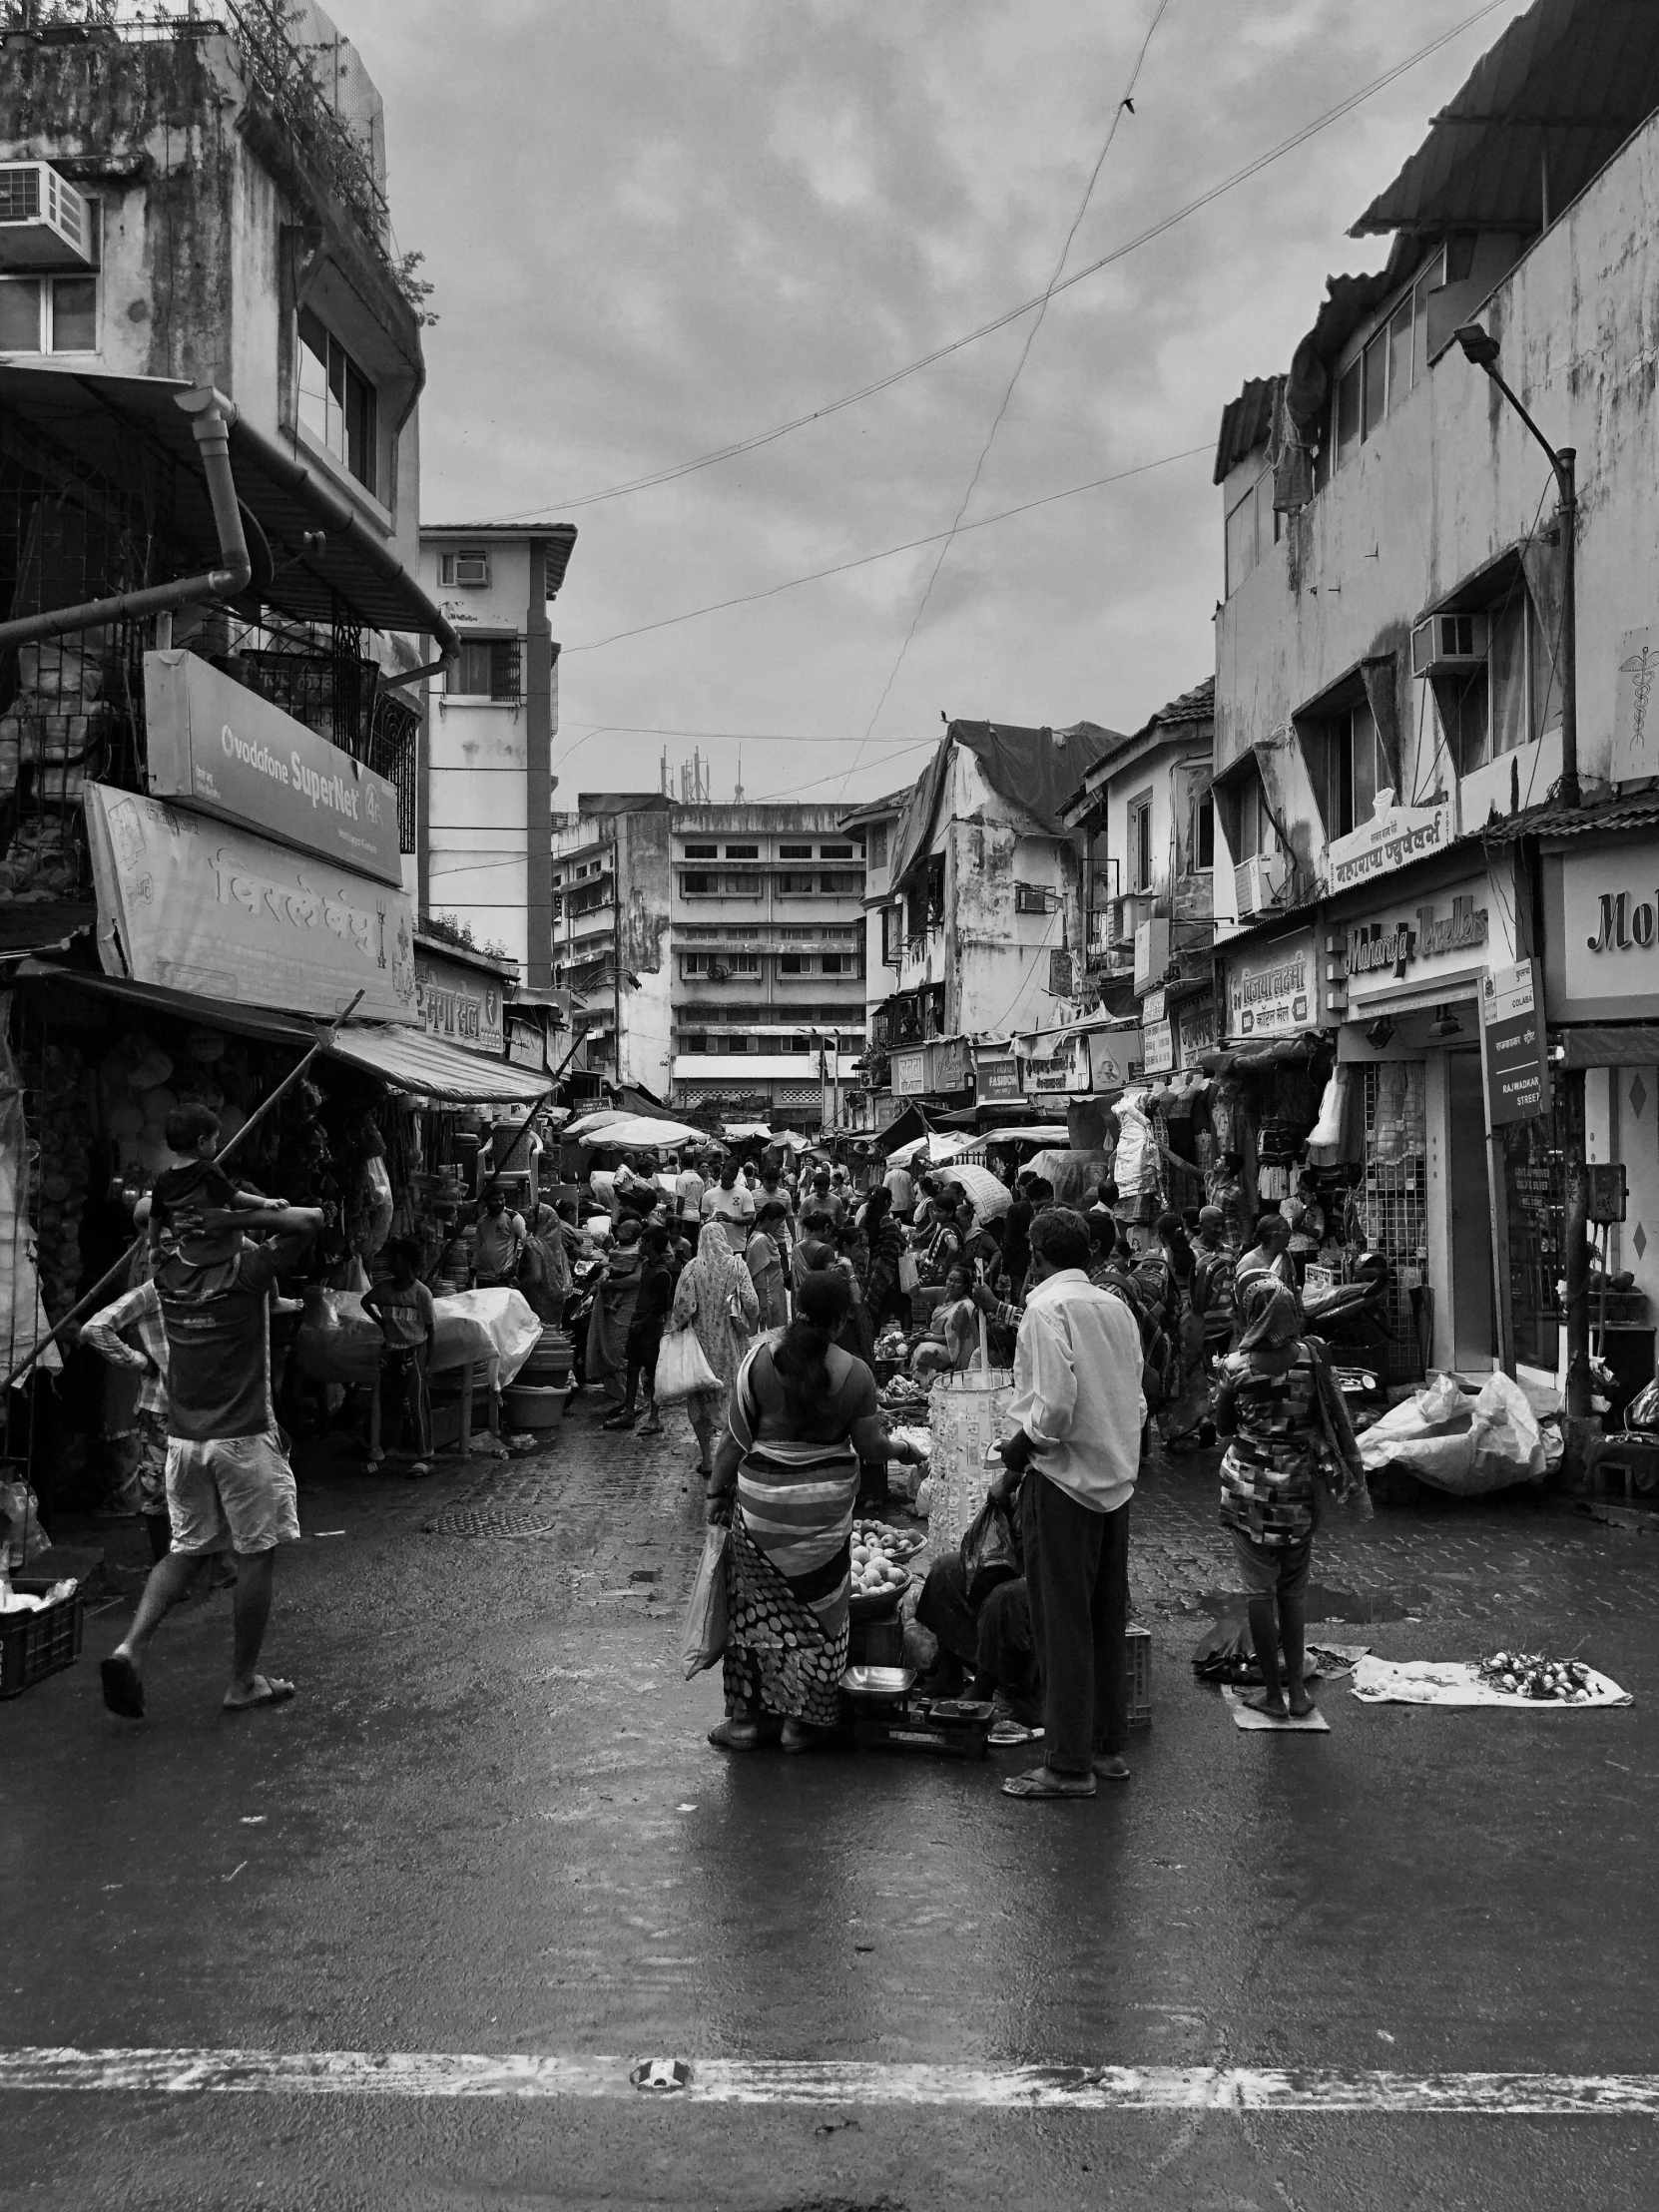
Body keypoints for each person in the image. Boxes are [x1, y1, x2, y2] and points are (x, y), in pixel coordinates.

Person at [98, 1206, 325, 1719]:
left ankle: (130, 1646)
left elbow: (147, 1218)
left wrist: (201, 1216)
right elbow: (309, 1221)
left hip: (185, 1439)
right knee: (256, 1554)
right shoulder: (246, 1274)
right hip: (241, 1437)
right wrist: (242, 1205)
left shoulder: (167, 1275)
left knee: (187, 1549)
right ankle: (243, 1681)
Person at [705, 1270, 926, 1752]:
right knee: (819, 1619)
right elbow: (871, 1448)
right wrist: (905, 1450)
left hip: (760, 1512)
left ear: (795, 1306)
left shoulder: (757, 1361)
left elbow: (732, 1443)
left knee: (754, 1616)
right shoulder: (857, 1374)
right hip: (823, 1518)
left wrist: (717, 1497)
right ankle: (799, 1726)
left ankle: (746, 1722)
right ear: (843, 1318)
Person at [990, 1207, 1144, 1801]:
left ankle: (1068, 1763)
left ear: (1037, 1254)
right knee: (1105, 1619)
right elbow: (1134, 1395)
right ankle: (1106, 1749)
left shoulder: (1045, 1309)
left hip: (1064, 1484)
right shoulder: (1116, 1307)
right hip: (1113, 1481)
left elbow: (1053, 1404)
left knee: (1063, 1623)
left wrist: (1017, 1450)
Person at [1215, 1277, 1363, 1720]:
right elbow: (1328, 1416)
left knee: (1258, 1591)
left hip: (1248, 1492)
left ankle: (1273, 1695)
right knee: (1293, 1593)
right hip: (1299, 1489)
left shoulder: (1235, 1367)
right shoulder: (1311, 1359)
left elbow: (1223, 1428)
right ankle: (1298, 1693)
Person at [671, 1222, 760, 1475]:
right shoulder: (737, 1265)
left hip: (701, 1348)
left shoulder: (692, 1268)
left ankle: (707, 1459)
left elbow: (682, 1308)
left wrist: (675, 1330)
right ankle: (731, 1457)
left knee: (700, 1400)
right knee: (733, 1398)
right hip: (732, 1343)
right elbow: (752, 1303)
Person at [147, 1103, 284, 1266]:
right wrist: (266, 1202)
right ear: (201, 1142)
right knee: (263, 1260)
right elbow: (235, 1197)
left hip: (189, 1252)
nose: (216, 1145)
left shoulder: (163, 1180)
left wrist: (155, 1247)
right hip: (220, 1244)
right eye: (215, 1140)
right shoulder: (208, 1170)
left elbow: (154, 1218)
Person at [361, 1238, 436, 1470]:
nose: (390, 1263)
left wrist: (427, 1363)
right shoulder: (384, 1289)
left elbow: (431, 1329)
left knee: (416, 1403)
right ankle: (391, 1447)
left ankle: (424, 1452)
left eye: (394, 1258)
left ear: (407, 1262)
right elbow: (366, 1302)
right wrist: (382, 1323)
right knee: (390, 1400)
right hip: (392, 1350)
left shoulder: (421, 1293)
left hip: (414, 1351)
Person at [604, 1222, 673, 1432]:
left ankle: (654, 1418)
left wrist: (641, 1324)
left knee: (652, 1373)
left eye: (642, 1242)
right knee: (633, 1368)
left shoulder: (661, 1273)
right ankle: (629, 1413)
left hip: (650, 1328)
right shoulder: (647, 1267)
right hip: (638, 1323)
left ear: (650, 1244)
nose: (639, 1245)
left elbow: (661, 1307)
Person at [587, 1217, 644, 1404]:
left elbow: (635, 1279)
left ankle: (632, 1397)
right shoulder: (620, 1248)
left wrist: (610, 1283)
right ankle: (618, 1392)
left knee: (619, 1348)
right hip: (611, 1300)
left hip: (627, 1304)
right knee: (608, 1343)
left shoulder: (638, 1254)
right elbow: (610, 1261)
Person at [910, 1265, 977, 1376]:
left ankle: (921, 1384)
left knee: (924, 1350)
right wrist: (916, 1286)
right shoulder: (944, 1292)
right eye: (950, 1279)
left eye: (957, 1281)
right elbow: (916, 1294)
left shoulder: (965, 1307)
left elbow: (953, 1340)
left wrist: (925, 1338)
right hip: (934, 1339)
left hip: (953, 1350)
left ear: (965, 1286)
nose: (952, 1284)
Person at [1192, 1205, 1238, 1364]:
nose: (1219, 1230)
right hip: (1201, 1328)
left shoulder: (1229, 1252)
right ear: (1201, 1224)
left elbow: (1232, 1286)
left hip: (1225, 1325)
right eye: (1215, 1225)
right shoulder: (1191, 1253)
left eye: (1222, 1225)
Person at [859, 1184, 908, 1329]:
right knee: (892, 1308)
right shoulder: (887, 1221)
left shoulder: (865, 1220)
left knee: (872, 1308)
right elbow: (903, 1242)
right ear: (887, 1203)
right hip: (887, 1271)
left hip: (869, 1268)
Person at [1236, 1210, 1297, 1311]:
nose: (1290, 1233)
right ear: (1275, 1236)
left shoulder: (1285, 1255)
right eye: (1286, 1230)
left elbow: (1293, 1287)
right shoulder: (1248, 1262)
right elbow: (1240, 1300)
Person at [745, 1201, 790, 1331]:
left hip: (776, 1293)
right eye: (778, 1222)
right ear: (768, 1220)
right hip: (769, 1297)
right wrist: (763, 1306)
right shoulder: (761, 1240)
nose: (779, 1226)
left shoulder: (766, 1236)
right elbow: (759, 1275)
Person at [473, 1182, 526, 1289]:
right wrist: (472, 1271)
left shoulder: (513, 1218)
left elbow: (528, 1243)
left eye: (502, 1199)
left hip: (503, 1278)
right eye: (495, 1200)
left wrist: (515, 1268)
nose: (500, 1203)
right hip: (483, 1277)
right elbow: (478, 1248)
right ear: (486, 1201)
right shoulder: (482, 1221)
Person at [701, 1157, 756, 1252]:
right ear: (721, 1173)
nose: (727, 1181)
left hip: (737, 1247)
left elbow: (750, 1218)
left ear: (735, 1177)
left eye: (730, 1179)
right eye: (725, 1178)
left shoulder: (744, 1193)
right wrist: (711, 1221)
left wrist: (731, 1219)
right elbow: (702, 1220)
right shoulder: (708, 1194)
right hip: (714, 1248)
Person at [674, 1149, 706, 1232]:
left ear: (681, 1163)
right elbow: (701, 1202)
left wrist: (677, 1216)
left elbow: (681, 1200)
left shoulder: (682, 1178)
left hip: (685, 1217)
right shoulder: (700, 1180)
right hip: (696, 1217)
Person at [882, 1154, 917, 1223]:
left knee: (893, 1223)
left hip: (892, 1205)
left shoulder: (889, 1175)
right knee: (904, 1223)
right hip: (905, 1205)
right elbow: (912, 1192)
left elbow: (884, 1189)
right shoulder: (907, 1174)